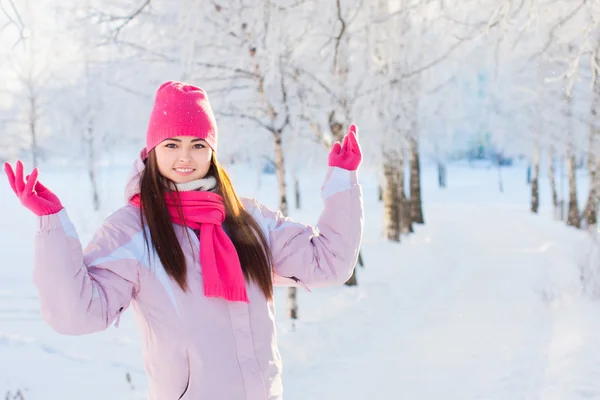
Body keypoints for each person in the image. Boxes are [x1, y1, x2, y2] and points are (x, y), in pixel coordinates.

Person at [3, 81, 363, 400]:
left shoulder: (249, 220)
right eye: (172, 144)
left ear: (212, 152)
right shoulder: (133, 232)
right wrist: (51, 224)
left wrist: (342, 182)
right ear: (152, 150)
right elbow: (77, 314)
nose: (185, 157)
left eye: (198, 144)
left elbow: (329, 264)